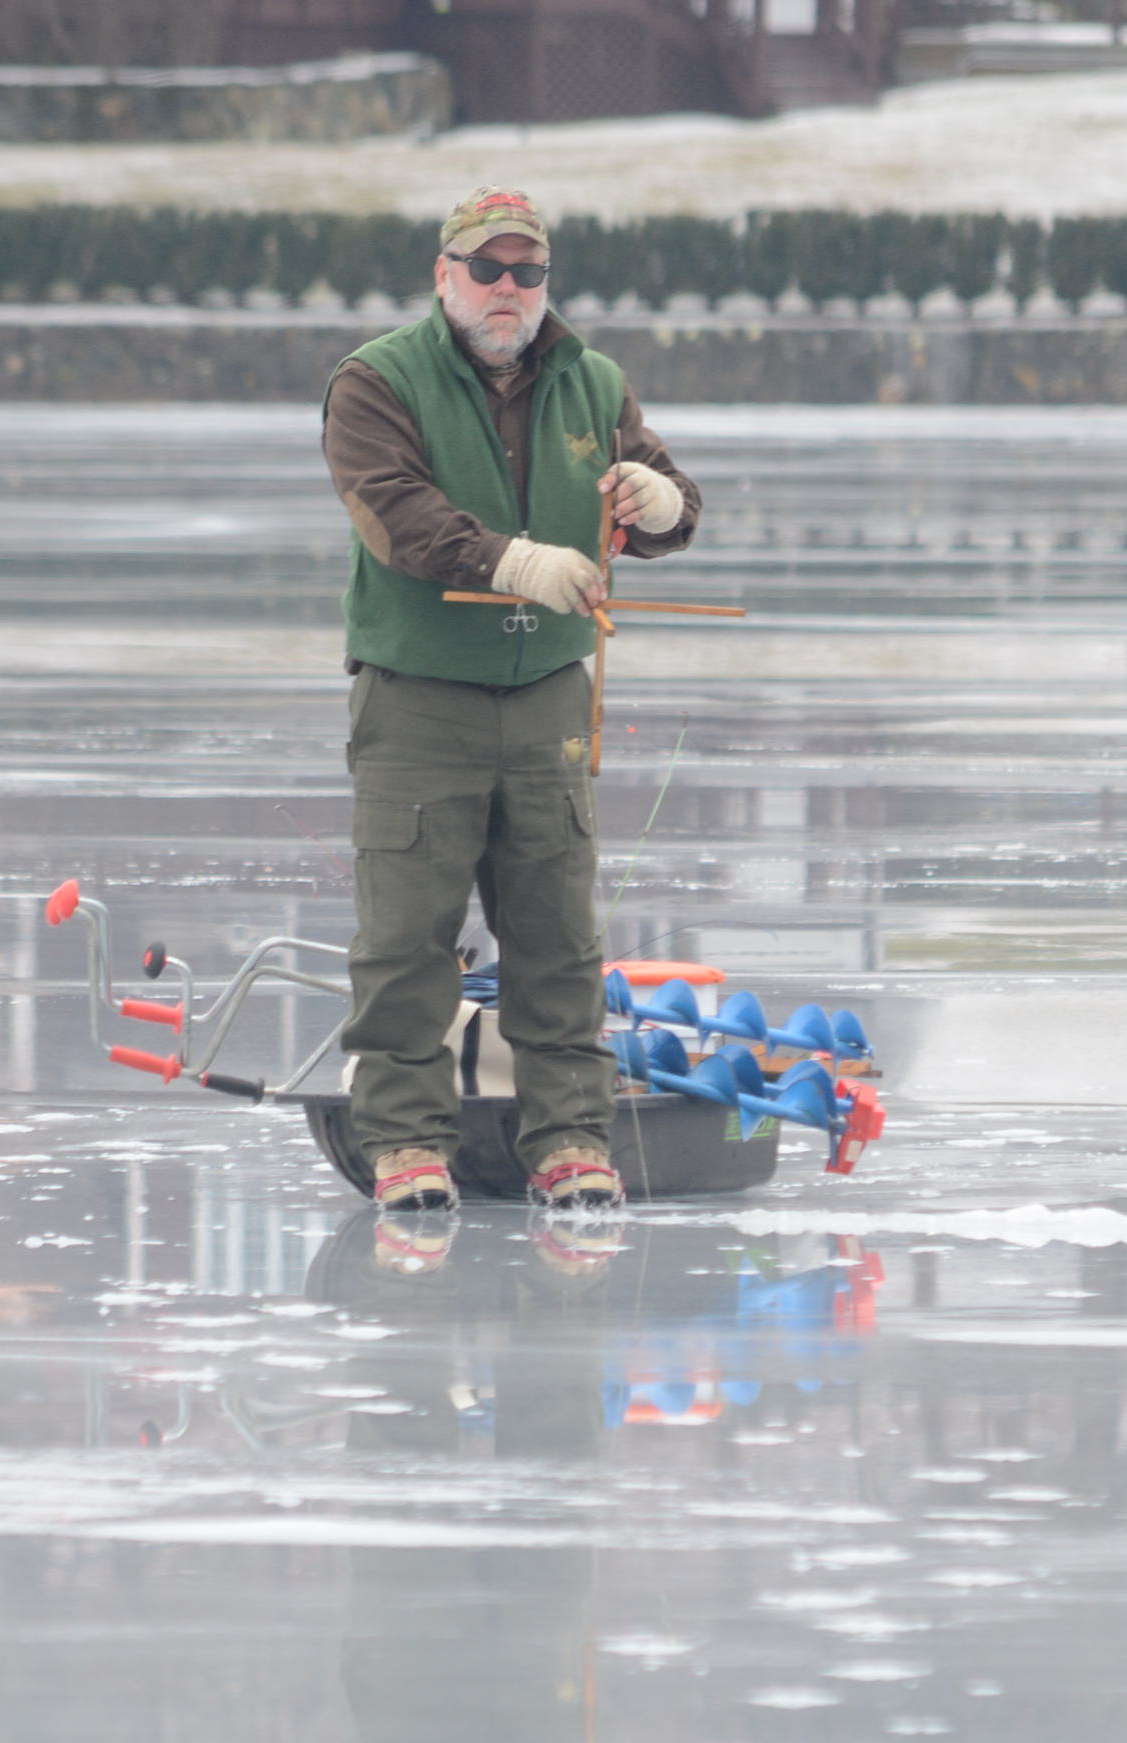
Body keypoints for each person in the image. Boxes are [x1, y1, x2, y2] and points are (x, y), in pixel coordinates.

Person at [322, 186, 703, 1219]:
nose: (506, 289)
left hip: (547, 696)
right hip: (418, 698)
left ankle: (571, 1136)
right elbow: (392, 515)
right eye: (485, 269)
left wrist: (660, 506)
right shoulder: (375, 381)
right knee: (406, 933)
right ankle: (404, 1137)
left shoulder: (593, 382)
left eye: (526, 272)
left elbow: (672, 501)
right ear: (443, 275)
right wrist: (511, 561)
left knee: (556, 935)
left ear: (547, 283)